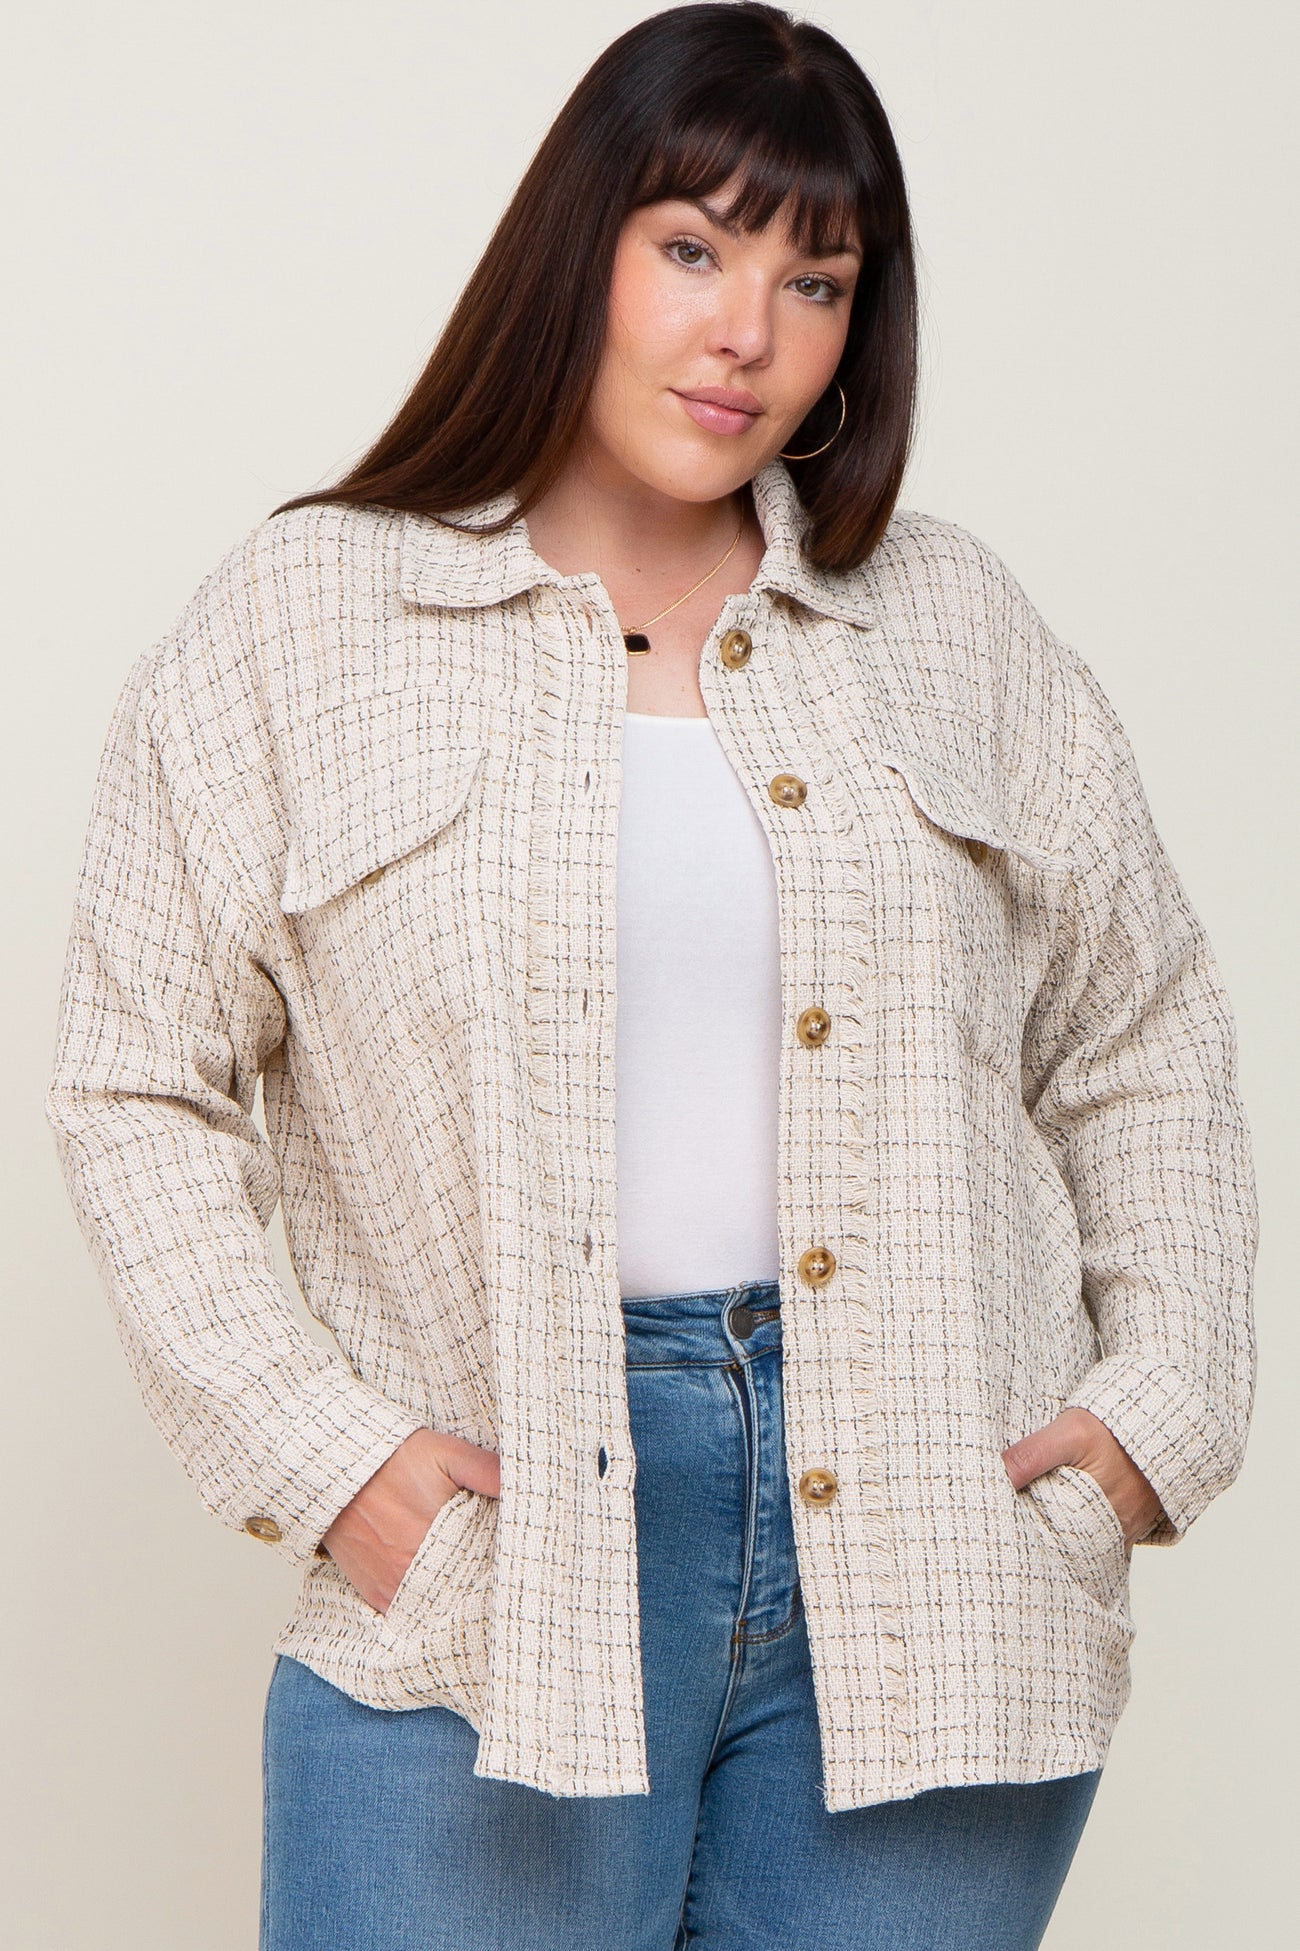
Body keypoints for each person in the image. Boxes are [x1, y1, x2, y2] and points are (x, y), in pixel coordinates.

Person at [44, 6, 1258, 1948]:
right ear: (576, 250)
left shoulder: (953, 626)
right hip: (498, 1560)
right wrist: (336, 1463)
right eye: (693, 247)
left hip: (937, 1561)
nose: (745, 332)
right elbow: (135, 1079)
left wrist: (1153, 1415)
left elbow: (1142, 1032)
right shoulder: (306, 617)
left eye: (815, 281)